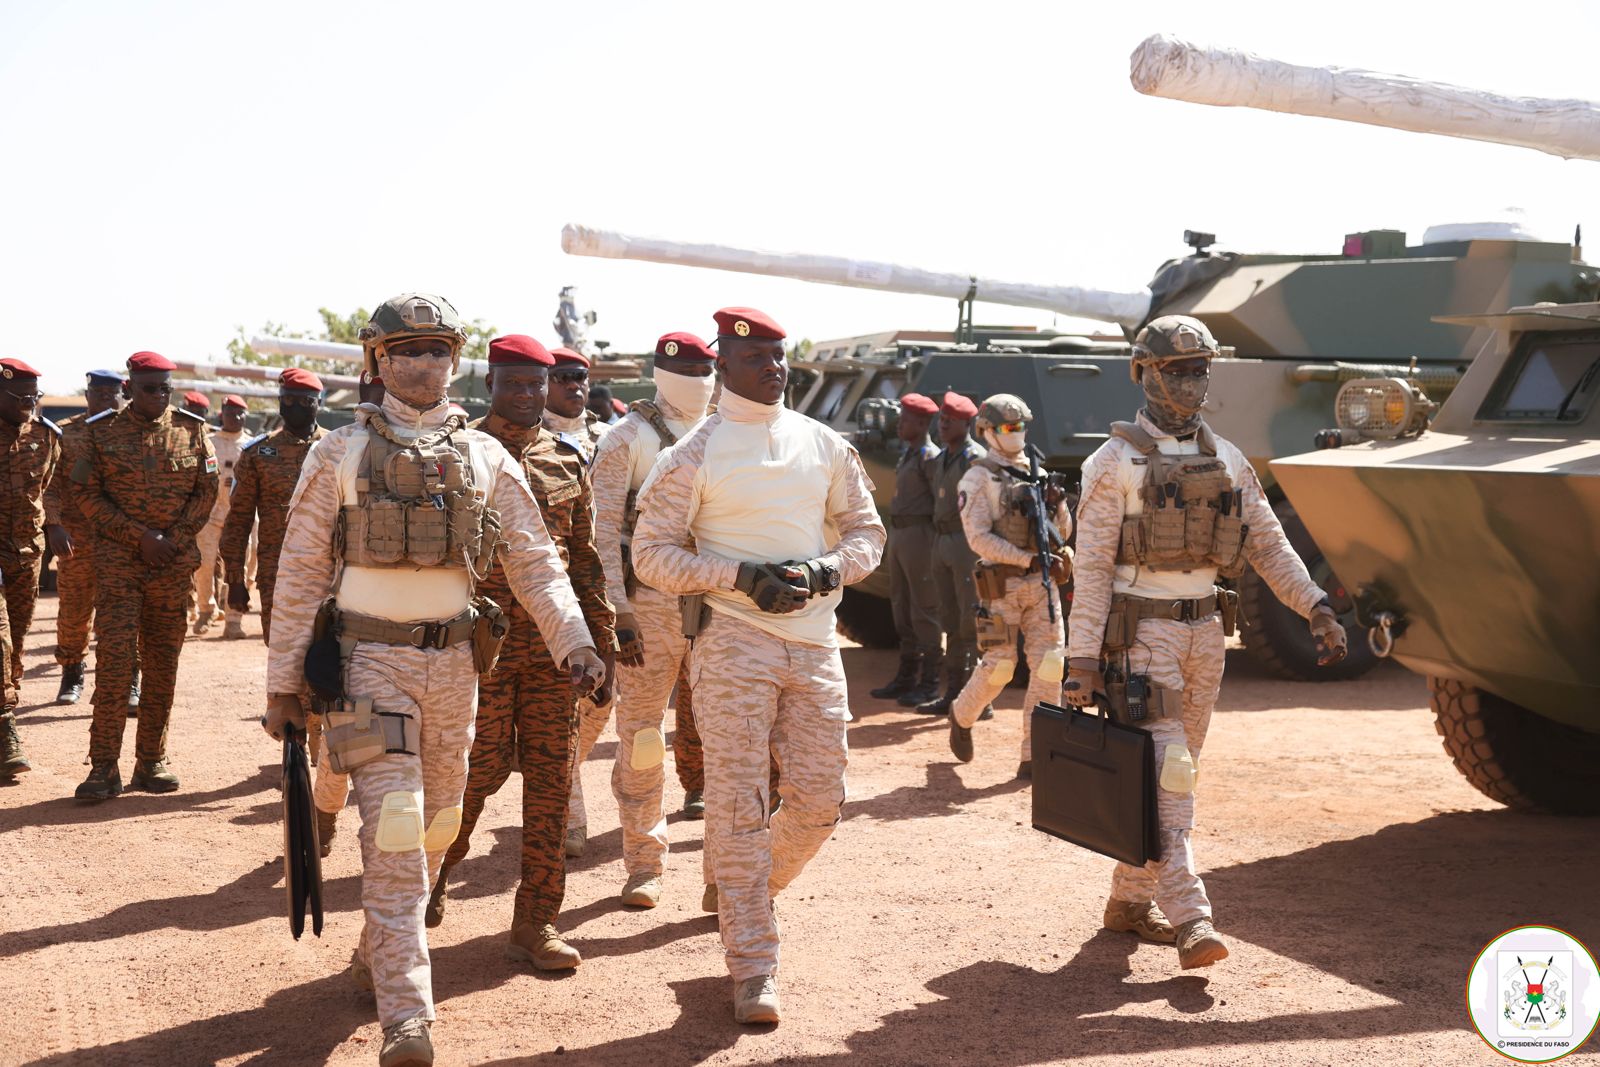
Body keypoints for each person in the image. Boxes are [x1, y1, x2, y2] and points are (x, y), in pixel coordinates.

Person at [261, 294, 603, 1067]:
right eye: (406, 350)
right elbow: (301, 568)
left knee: (440, 824)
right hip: (365, 667)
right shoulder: (339, 452)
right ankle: (408, 1017)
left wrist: (574, 642)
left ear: (455, 360)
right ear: (377, 361)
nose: (423, 364)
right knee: (395, 828)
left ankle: (377, 949)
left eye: (437, 349)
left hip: (456, 670)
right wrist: (283, 683)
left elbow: (536, 561)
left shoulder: (485, 457)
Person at [1062, 314, 1348, 969]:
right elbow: (1094, 567)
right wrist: (1082, 661)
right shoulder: (1113, 463)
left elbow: (1269, 544)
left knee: (1172, 774)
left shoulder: (1228, 459)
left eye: (1200, 369)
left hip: (1206, 636)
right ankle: (1193, 917)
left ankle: (1129, 901)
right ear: (1143, 373)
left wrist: (1316, 605)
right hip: (1142, 640)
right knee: (1172, 779)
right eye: (1177, 371)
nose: (1192, 382)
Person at [632, 306, 885, 1024]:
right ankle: (753, 964)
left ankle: (743, 889)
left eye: (779, 357)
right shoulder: (693, 454)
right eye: (755, 358)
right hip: (732, 643)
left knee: (820, 801)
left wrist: (826, 569)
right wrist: (738, 575)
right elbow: (650, 555)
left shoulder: (824, 443)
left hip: (815, 642)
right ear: (725, 367)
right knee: (738, 805)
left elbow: (868, 534)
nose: (773, 368)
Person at [427, 333, 618, 969]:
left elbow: (584, 562)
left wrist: (601, 643)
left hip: (553, 656)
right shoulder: (458, 455)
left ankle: (537, 922)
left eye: (537, 383)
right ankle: (432, 874)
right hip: (479, 650)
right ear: (490, 384)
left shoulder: (567, 461)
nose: (528, 394)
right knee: (470, 777)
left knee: (551, 786)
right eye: (514, 383)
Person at [579, 330, 716, 905]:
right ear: (662, 376)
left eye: (705, 372)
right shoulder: (627, 439)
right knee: (641, 737)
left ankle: (725, 872)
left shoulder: (730, 432)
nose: (699, 383)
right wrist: (620, 611)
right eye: (688, 373)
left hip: (721, 602)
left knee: (730, 737)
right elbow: (601, 535)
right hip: (650, 605)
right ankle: (644, 862)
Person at [69, 352, 218, 800]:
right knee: (115, 664)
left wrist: (172, 538)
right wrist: (139, 537)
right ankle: (103, 767)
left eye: (165, 389)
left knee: (161, 665)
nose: (158, 396)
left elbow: (206, 492)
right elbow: (84, 493)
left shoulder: (192, 430)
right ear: (129, 388)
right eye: (149, 388)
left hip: (171, 567)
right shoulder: (101, 433)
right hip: (119, 567)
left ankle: (152, 760)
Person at [945, 394, 1071, 780]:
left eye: (1020, 427)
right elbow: (978, 538)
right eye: (1007, 427)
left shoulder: (1038, 471)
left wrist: (1057, 505)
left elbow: (1064, 532)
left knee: (1050, 666)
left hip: (1042, 586)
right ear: (987, 431)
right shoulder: (978, 478)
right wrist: (1024, 559)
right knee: (1000, 667)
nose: (1015, 434)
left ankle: (1035, 754)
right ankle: (961, 715)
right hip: (1001, 587)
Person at [221, 369, 326, 647]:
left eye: (305, 401)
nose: (295, 407)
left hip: (329, 571)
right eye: (288, 400)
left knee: (328, 653)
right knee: (281, 651)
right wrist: (235, 580)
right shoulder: (257, 453)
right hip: (277, 572)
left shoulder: (337, 447)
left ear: (319, 403)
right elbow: (239, 519)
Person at [48, 370, 125, 705]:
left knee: (124, 613)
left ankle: (127, 678)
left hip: (123, 541)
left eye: (112, 394)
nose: (106, 400)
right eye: (99, 393)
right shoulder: (66, 433)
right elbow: (50, 484)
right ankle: (72, 672)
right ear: (87, 395)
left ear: (123, 397)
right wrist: (53, 524)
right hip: (77, 539)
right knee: (74, 610)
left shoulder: (135, 432)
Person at [0, 357, 62, 775]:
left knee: (16, 644)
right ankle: (6, 730)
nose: (30, 404)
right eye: (21, 397)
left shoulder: (45, 435)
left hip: (26, 554)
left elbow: (48, 488)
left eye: (34, 397)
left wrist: (53, 525)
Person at [867, 392, 944, 707]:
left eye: (906, 420)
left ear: (922, 423)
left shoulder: (929, 456)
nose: (899, 425)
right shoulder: (909, 453)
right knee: (901, 608)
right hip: (900, 535)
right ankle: (906, 676)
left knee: (923, 610)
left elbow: (940, 503)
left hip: (920, 536)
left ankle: (930, 682)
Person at [916, 392, 985, 716]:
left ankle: (977, 697)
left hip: (966, 543)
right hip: (942, 540)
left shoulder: (975, 458)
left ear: (966, 424)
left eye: (950, 420)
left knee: (970, 619)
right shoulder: (944, 457)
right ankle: (955, 691)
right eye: (941, 419)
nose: (942, 425)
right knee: (950, 618)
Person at [193, 394, 249, 638]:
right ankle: (206, 609)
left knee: (237, 567)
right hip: (210, 514)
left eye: (240, 413)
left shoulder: (250, 445)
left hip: (239, 516)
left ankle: (234, 619)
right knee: (204, 564)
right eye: (230, 413)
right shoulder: (209, 442)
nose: (235, 417)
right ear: (221, 415)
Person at [543, 347, 608, 461]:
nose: (574, 385)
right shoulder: (526, 439)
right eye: (563, 377)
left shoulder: (610, 437)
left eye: (580, 376)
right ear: (544, 385)